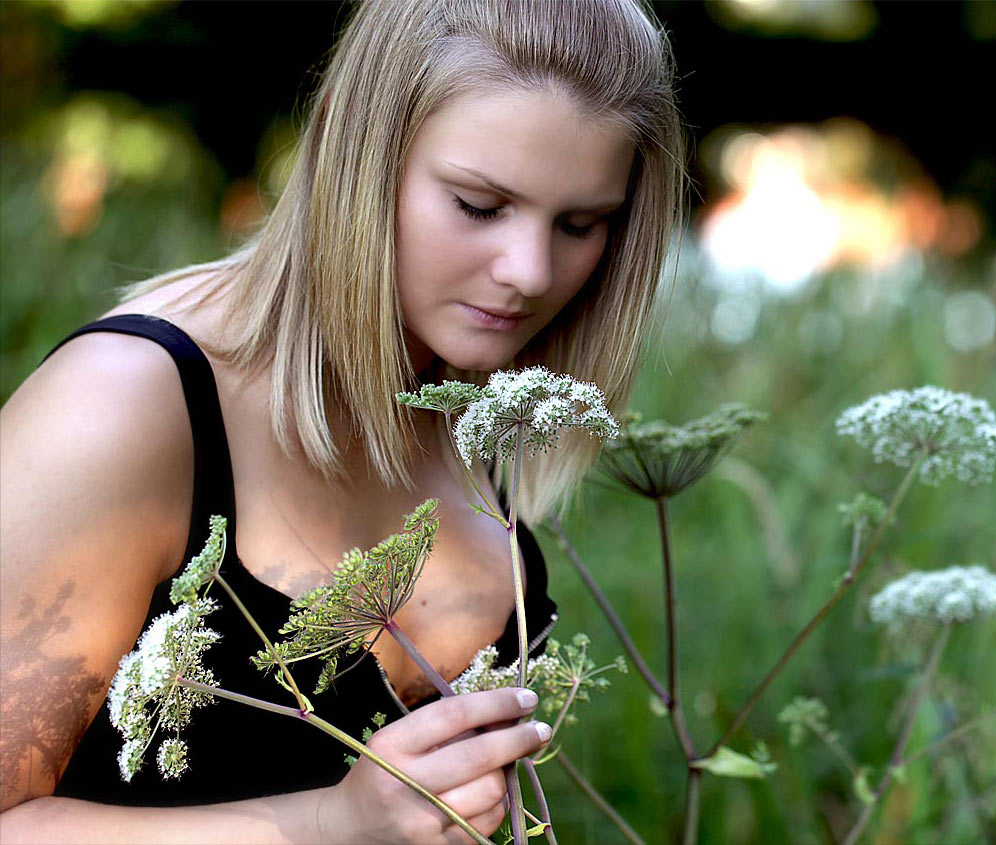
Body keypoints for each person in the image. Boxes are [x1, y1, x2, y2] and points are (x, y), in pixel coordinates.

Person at [0, 0, 684, 840]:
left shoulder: (475, 405)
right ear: (347, 145)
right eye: (478, 205)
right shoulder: (125, 403)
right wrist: (331, 822)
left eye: (581, 223)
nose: (530, 272)